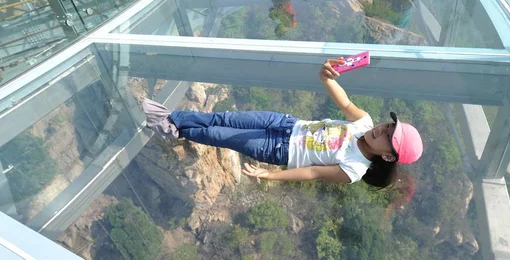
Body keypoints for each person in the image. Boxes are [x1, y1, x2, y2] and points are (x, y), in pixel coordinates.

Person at [142, 58, 423, 187]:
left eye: (389, 136)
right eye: (388, 126)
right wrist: (326, 76)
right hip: (286, 123)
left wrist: (271, 176)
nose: (382, 129)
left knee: (219, 134)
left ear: (388, 155)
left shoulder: (355, 170)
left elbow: (312, 173)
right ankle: (170, 120)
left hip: (278, 150)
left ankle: (173, 126)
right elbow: (345, 103)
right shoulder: (364, 122)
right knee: (223, 117)